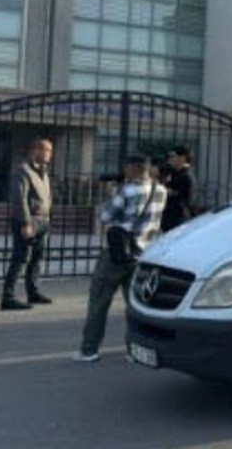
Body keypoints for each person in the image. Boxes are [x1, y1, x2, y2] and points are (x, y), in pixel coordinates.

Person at [75, 155, 166, 363]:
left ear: (133, 168)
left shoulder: (126, 191)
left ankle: (89, 349)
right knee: (134, 305)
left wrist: (111, 194)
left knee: (99, 301)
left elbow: (104, 216)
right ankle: (134, 350)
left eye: (126, 167)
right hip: (142, 254)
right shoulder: (160, 190)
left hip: (116, 254)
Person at [1, 138, 54, 311]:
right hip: (29, 220)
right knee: (20, 258)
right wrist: (25, 223)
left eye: (50, 151)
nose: (49, 154)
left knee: (37, 258)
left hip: (43, 220)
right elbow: (19, 199)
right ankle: (8, 297)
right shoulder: (22, 171)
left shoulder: (43, 171)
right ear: (35, 150)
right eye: (46, 150)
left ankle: (33, 292)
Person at [160, 146, 196, 233]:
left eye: (173, 156)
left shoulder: (185, 176)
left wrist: (165, 190)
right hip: (168, 217)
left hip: (178, 218)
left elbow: (181, 196)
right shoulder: (172, 172)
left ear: (182, 158)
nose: (170, 159)